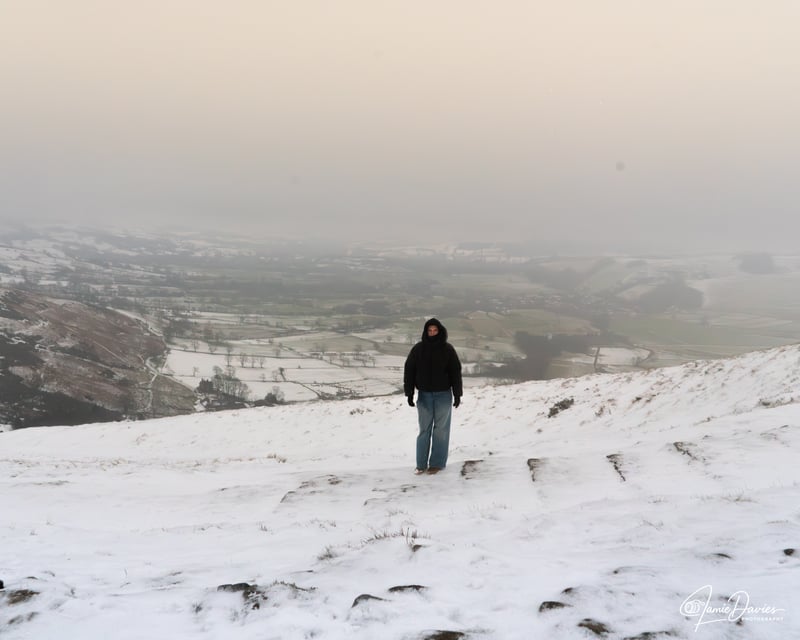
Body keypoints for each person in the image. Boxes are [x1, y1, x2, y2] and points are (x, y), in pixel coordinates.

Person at [404, 318, 463, 474]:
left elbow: (455, 372)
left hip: (444, 394)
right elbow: (409, 370)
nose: (432, 333)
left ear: (440, 331)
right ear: (425, 332)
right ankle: (421, 465)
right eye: (429, 331)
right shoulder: (418, 350)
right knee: (424, 430)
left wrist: (457, 394)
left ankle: (436, 463)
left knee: (441, 430)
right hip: (424, 395)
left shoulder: (448, 350)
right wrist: (409, 392)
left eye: (435, 330)